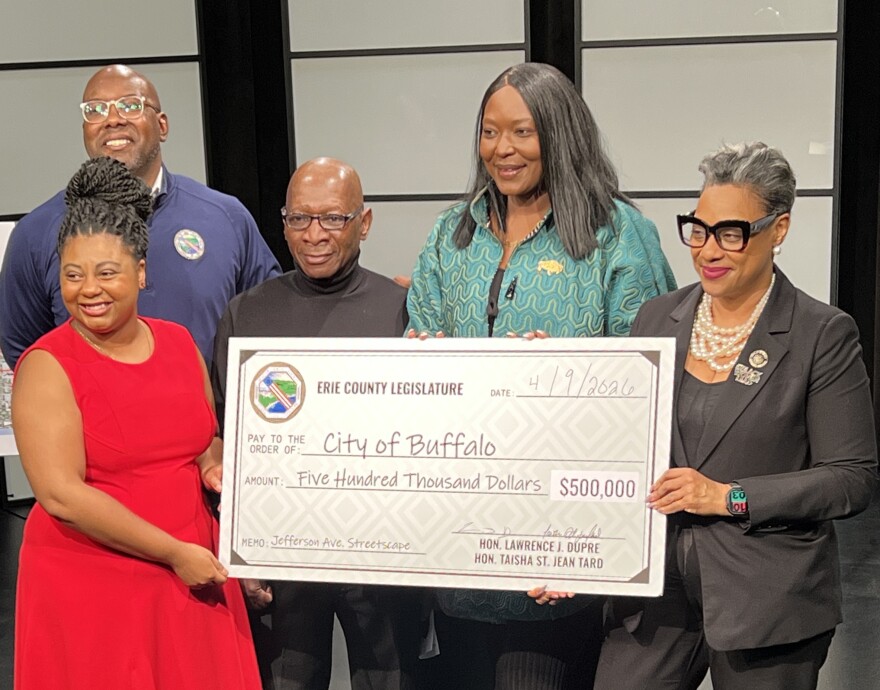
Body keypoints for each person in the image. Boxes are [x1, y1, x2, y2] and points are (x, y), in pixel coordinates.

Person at [406, 62, 676, 689]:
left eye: (523, 132)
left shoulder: (617, 233)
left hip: (564, 546)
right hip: (462, 545)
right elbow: (418, 333)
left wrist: (569, 375)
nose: (503, 150)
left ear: (560, 134)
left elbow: (649, 378)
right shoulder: (454, 232)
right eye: (490, 132)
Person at [592, 142, 878, 689]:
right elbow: (618, 447)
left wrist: (728, 496)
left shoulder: (821, 334)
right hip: (655, 592)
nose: (708, 251)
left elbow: (851, 479)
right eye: (697, 230)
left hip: (766, 594)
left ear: (779, 229)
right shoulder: (656, 319)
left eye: (730, 233)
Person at [12, 157, 260, 689]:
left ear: (142, 273)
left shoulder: (177, 342)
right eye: (73, 274)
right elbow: (61, 496)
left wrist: (219, 472)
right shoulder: (46, 365)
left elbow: (201, 443)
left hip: (192, 564)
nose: (89, 289)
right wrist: (173, 553)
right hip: (94, 579)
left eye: (107, 272)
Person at [212, 157, 421, 690]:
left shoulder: (404, 309)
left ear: (365, 222)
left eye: (333, 218)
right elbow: (224, 438)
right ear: (282, 224)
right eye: (299, 219)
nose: (314, 235)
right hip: (283, 560)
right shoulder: (246, 313)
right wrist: (239, 550)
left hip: (383, 557)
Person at [0, 64, 280, 370]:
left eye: (131, 105)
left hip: (204, 414)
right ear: (84, 130)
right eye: (95, 110)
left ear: (162, 126)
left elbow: (269, 321)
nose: (112, 119)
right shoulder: (36, 233)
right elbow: (25, 350)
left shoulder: (226, 217)